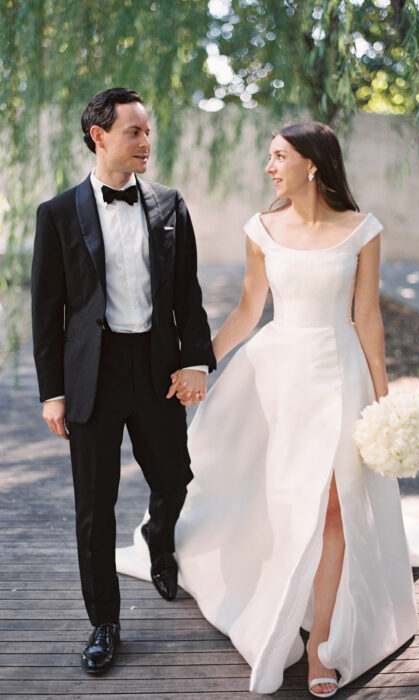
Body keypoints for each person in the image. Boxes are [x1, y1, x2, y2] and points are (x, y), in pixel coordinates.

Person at [116, 122, 419, 695]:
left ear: (313, 164)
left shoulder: (362, 230)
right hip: (276, 379)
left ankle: (322, 641)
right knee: (285, 500)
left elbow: (367, 318)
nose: (270, 167)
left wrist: (384, 400)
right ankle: (277, 593)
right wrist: (200, 363)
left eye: (279, 156)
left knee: (334, 507)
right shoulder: (262, 228)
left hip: (340, 375)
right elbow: (249, 309)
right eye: (270, 157)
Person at [31, 87, 216, 675]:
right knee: (95, 505)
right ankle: (104, 623)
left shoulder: (169, 205)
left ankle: (160, 538)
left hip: (157, 367)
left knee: (175, 476)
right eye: (133, 131)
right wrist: (52, 391)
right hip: (93, 372)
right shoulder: (58, 214)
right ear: (99, 136)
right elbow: (47, 311)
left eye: (147, 131)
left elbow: (187, 292)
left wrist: (196, 359)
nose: (145, 142)